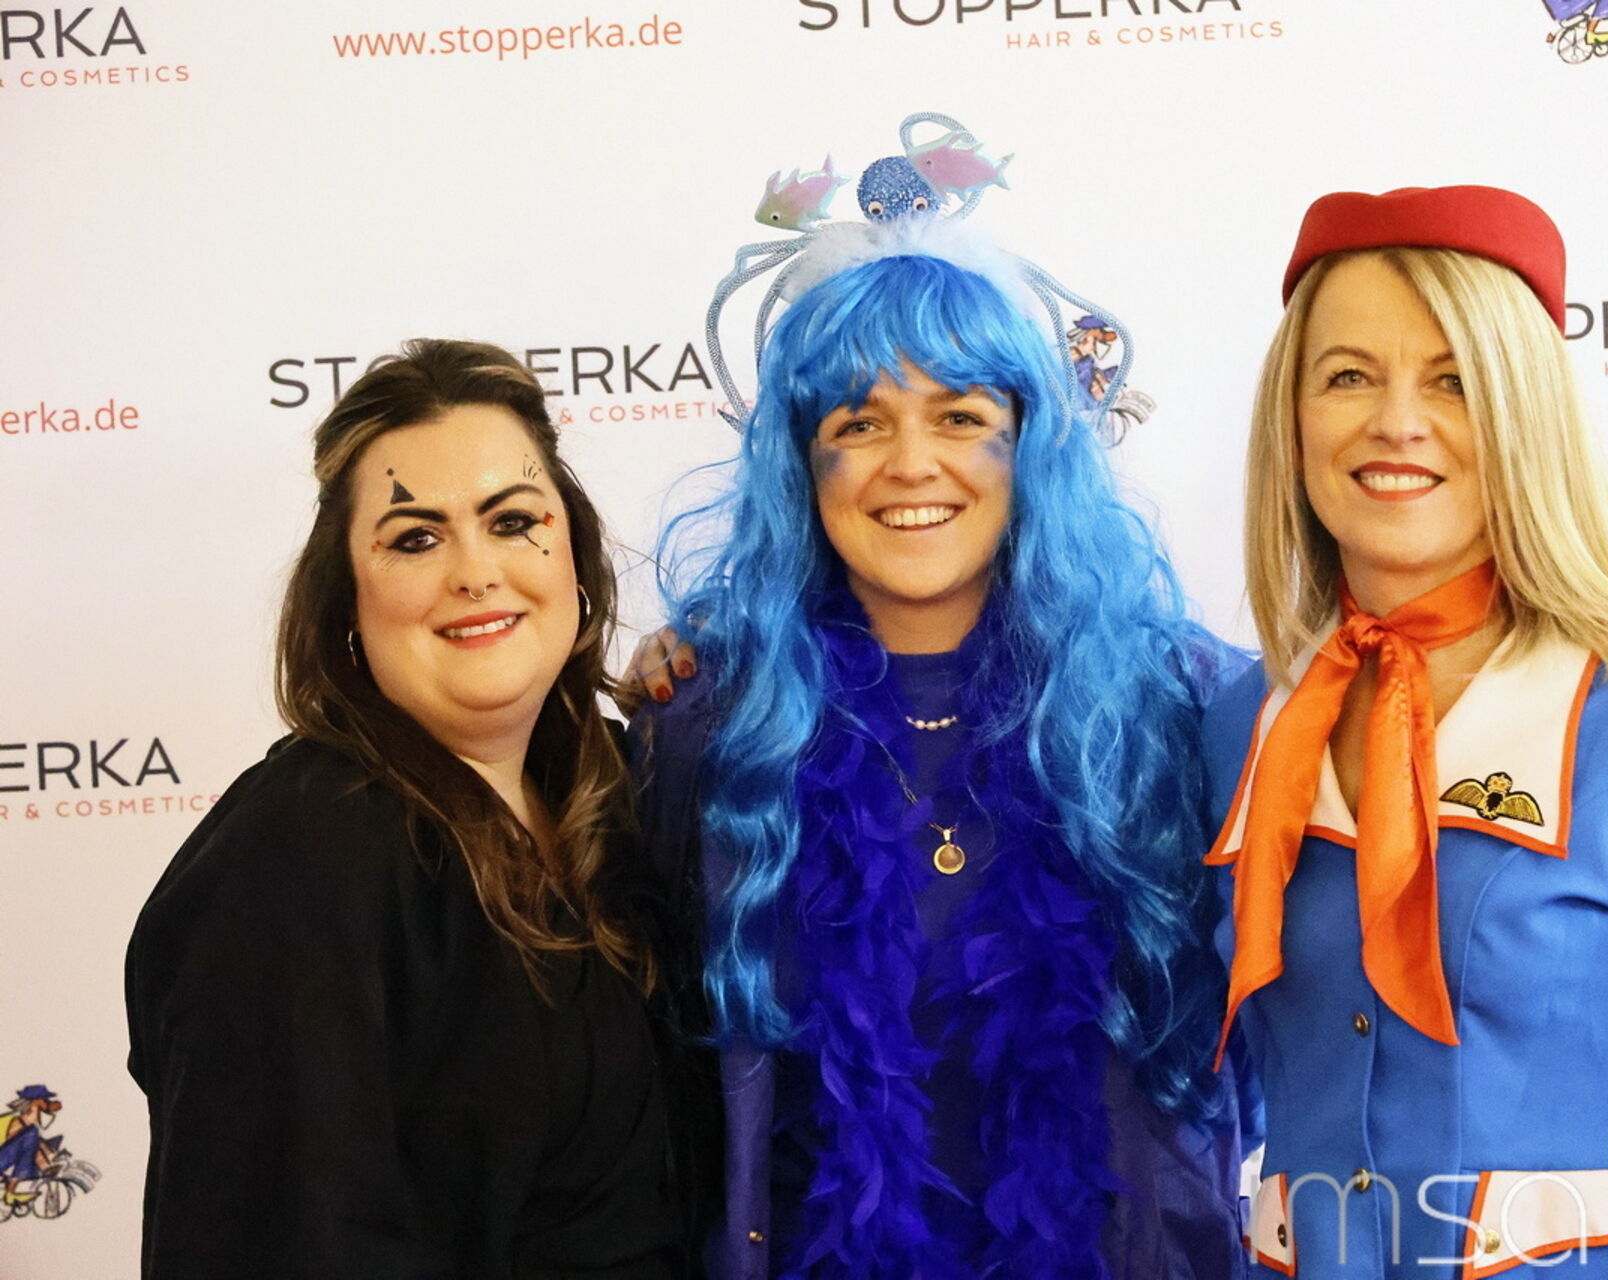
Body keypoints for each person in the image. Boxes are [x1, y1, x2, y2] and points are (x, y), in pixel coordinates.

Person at [635, 120, 1252, 1279]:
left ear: (1030, 445)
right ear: (801, 466)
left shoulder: (1182, 705)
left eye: (961, 417)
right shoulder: (711, 729)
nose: (911, 462)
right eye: (858, 423)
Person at [1204, 186, 1608, 1278]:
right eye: (1348, 375)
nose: (1398, 422)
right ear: (1290, 418)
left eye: (1454, 380)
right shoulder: (1234, 724)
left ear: (1523, 414)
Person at [126, 339, 715, 1280]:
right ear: (345, 596)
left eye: (513, 521)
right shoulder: (297, 855)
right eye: (415, 538)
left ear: (574, 552)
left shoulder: (616, 791)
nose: (476, 572)